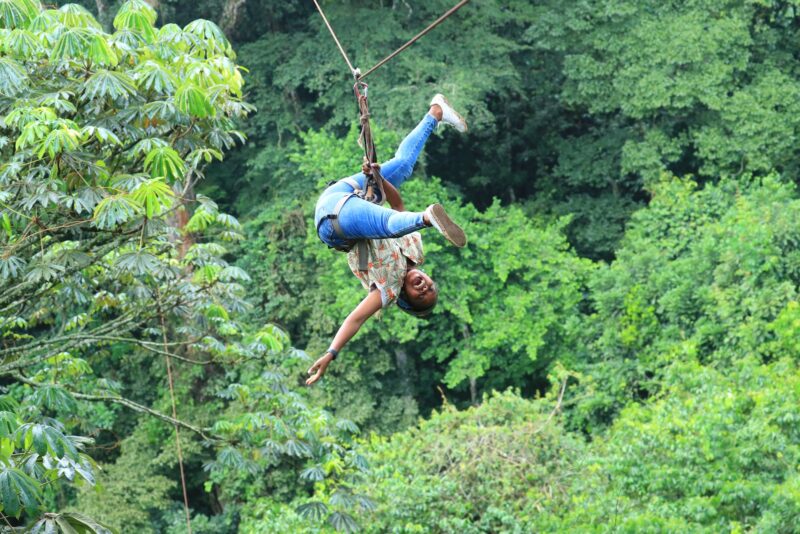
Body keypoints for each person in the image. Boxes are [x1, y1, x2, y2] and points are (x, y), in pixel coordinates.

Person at [306, 94, 468, 386]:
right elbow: (398, 204)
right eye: (430, 286)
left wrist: (331, 352)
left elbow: (355, 319)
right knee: (403, 166)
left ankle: (427, 219)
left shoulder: (387, 292)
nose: (424, 285)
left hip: (335, 222)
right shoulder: (415, 252)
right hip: (344, 194)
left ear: (405, 297)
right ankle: (436, 111)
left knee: (390, 226)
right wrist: (379, 179)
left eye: (420, 294)